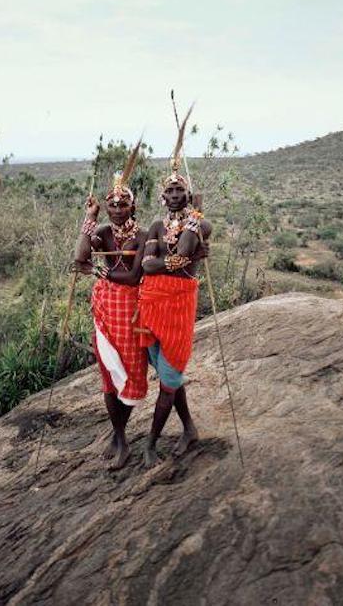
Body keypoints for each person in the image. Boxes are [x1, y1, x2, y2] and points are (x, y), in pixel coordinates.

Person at [135, 121, 211, 468]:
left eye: (181, 190)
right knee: (169, 374)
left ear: (187, 193)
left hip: (179, 304)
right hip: (151, 302)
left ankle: (151, 443)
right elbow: (149, 266)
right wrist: (182, 258)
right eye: (170, 192)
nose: (175, 195)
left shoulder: (200, 223)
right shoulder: (154, 225)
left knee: (169, 376)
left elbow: (182, 251)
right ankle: (190, 427)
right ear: (162, 197)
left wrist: (193, 229)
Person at [73, 142, 147, 470]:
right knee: (107, 375)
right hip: (104, 309)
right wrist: (89, 219)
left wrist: (103, 270)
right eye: (111, 204)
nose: (116, 209)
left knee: (130, 372)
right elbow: (79, 259)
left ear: (132, 206)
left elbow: (132, 279)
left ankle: (120, 434)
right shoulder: (102, 231)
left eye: (122, 204)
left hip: (131, 311)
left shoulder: (143, 236)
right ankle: (120, 438)